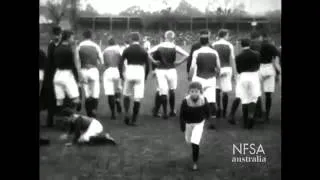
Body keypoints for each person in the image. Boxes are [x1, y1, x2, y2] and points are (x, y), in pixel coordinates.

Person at [148, 30, 189, 119]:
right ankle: (172, 111)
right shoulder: (174, 46)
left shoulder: (159, 46)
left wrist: (154, 61)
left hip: (161, 70)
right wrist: (179, 62)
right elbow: (187, 55)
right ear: (173, 38)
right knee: (172, 90)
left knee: (163, 91)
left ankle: (165, 113)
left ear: (165, 37)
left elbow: (148, 53)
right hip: (171, 70)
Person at [120, 32, 154, 126]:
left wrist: (121, 74)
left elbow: (120, 62)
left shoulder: (127, 49)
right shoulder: (143, 50)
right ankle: (134, 119)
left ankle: (126, 113)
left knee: (126, 94)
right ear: (139, 39)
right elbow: (148, 65)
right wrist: (146, 76)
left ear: (131, 39)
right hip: (140, 71)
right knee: (137, 98)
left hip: (130, 70)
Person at [189, 30, 221, 129]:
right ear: (208, 42)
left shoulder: (196, 52)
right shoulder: (214, 52)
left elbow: (193, 67)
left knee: (196, 98)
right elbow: (219, 67)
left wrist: (190, 77)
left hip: (199, 78)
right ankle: (213, 122)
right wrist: (216, 75)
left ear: (200, 42)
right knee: (212, 101)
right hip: (211, 78)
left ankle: (196, 119)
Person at [180, 82, 211, 171]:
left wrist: (208, 117)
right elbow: (182, 114)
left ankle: (195, 162)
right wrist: (182, 125)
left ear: (200, 92)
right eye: (192, 91)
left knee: (195, 142)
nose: (194, 93)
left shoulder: (203, 99)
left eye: (196, 91)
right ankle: (194, 152)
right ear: (189, 92)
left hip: (199, 123)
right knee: (188, 141)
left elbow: (207, 110)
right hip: (188, 124)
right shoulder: (185, 101)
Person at [76, 30, 103, 118]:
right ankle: (93, 112)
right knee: (95, 93)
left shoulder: (79, 46)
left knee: (87, 94)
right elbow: (101, 61)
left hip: (83, 70)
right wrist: (101, 74)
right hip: (93, 70)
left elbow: (77, 62)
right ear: (91, 36)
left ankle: (89, 114)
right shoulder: (96, 46)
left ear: (83, 36)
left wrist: (79, 73)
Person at [235, 38, 261, 129]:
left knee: (244, 98)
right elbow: (258, 66)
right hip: (253, 75)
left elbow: (238, 70)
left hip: (243, 76)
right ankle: (251, 116)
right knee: (253, 98)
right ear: (249, 44)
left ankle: (245, 121)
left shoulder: (238, 56)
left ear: (241, 45)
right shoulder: (256, 54)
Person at [53, 30, 81, 114]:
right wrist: (78, 77)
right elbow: (75, 64)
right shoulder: (69, 50)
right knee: (76, 99)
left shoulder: (57, 48)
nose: (73, 39)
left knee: (60, 100)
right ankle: (71, 116)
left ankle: (63, 119)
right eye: (72, 37)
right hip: (67, 75)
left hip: (57, 75)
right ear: (68, 38)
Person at [40, 26, 62, 127]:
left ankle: (51, 119)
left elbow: (48, 60)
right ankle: (55, 119)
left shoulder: (51, 44)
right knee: (57, 96)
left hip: (51, 73)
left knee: (51, 96)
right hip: (57, 73)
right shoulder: (59, 45)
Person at [212, 29, 236, 119]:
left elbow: (212, 58)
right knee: (225, 92)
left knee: (217, 90)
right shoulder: (229, 45)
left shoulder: (213, 44)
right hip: (226, 68)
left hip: (216, 68)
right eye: (228, 35)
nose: (228, 37)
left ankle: (218, 108)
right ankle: (224, 111)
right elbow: (232, 59)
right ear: (225, 35)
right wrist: (234, 73)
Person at [259, 33, 281, 123]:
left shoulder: (258, 46)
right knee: (268, 94)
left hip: (259, 68)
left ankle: (259, 112)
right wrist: (279, 71)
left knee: (257, 92)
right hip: (269, 68)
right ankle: (267, 114)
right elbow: (276, 61)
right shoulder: (272, 47)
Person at [102, 36, 123, 120]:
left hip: (108, 71)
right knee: (118, 89)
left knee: (110, 93)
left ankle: (113, 113)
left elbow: (104, 64)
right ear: (115, 42)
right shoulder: (119, 50)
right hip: (116, 70)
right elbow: (122, 62)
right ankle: (117, 99)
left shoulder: (105, 51)